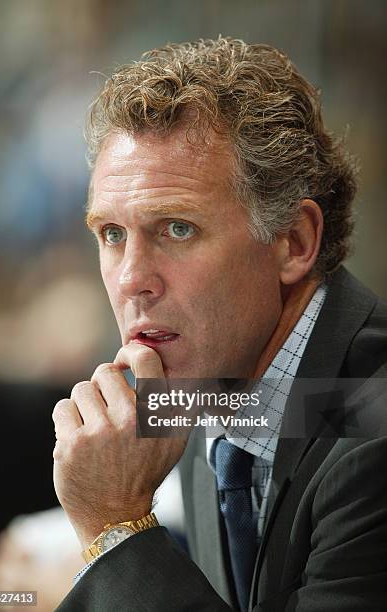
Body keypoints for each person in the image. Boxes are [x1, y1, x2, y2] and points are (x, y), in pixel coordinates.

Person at [53, 38, 387, 611]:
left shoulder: (372, 434)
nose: (132, 279)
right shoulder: (203, 385)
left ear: (294, 242)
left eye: (177, 229)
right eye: (111, 234)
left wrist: (116, 529)